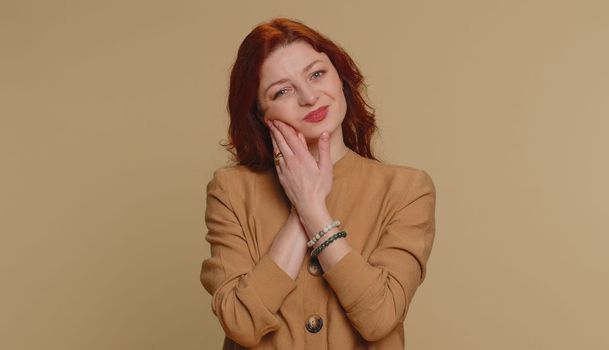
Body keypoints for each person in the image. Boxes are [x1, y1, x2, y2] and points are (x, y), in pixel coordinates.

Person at [200, 17, 436, 350]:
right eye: (282, 90)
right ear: (259, 114)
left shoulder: (407, 189)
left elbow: (380, 315)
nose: (309, 97)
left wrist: (312, 210)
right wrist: (303, 203)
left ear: (341, 79)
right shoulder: (231, 190)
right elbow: (242, 322)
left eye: (316, 74)